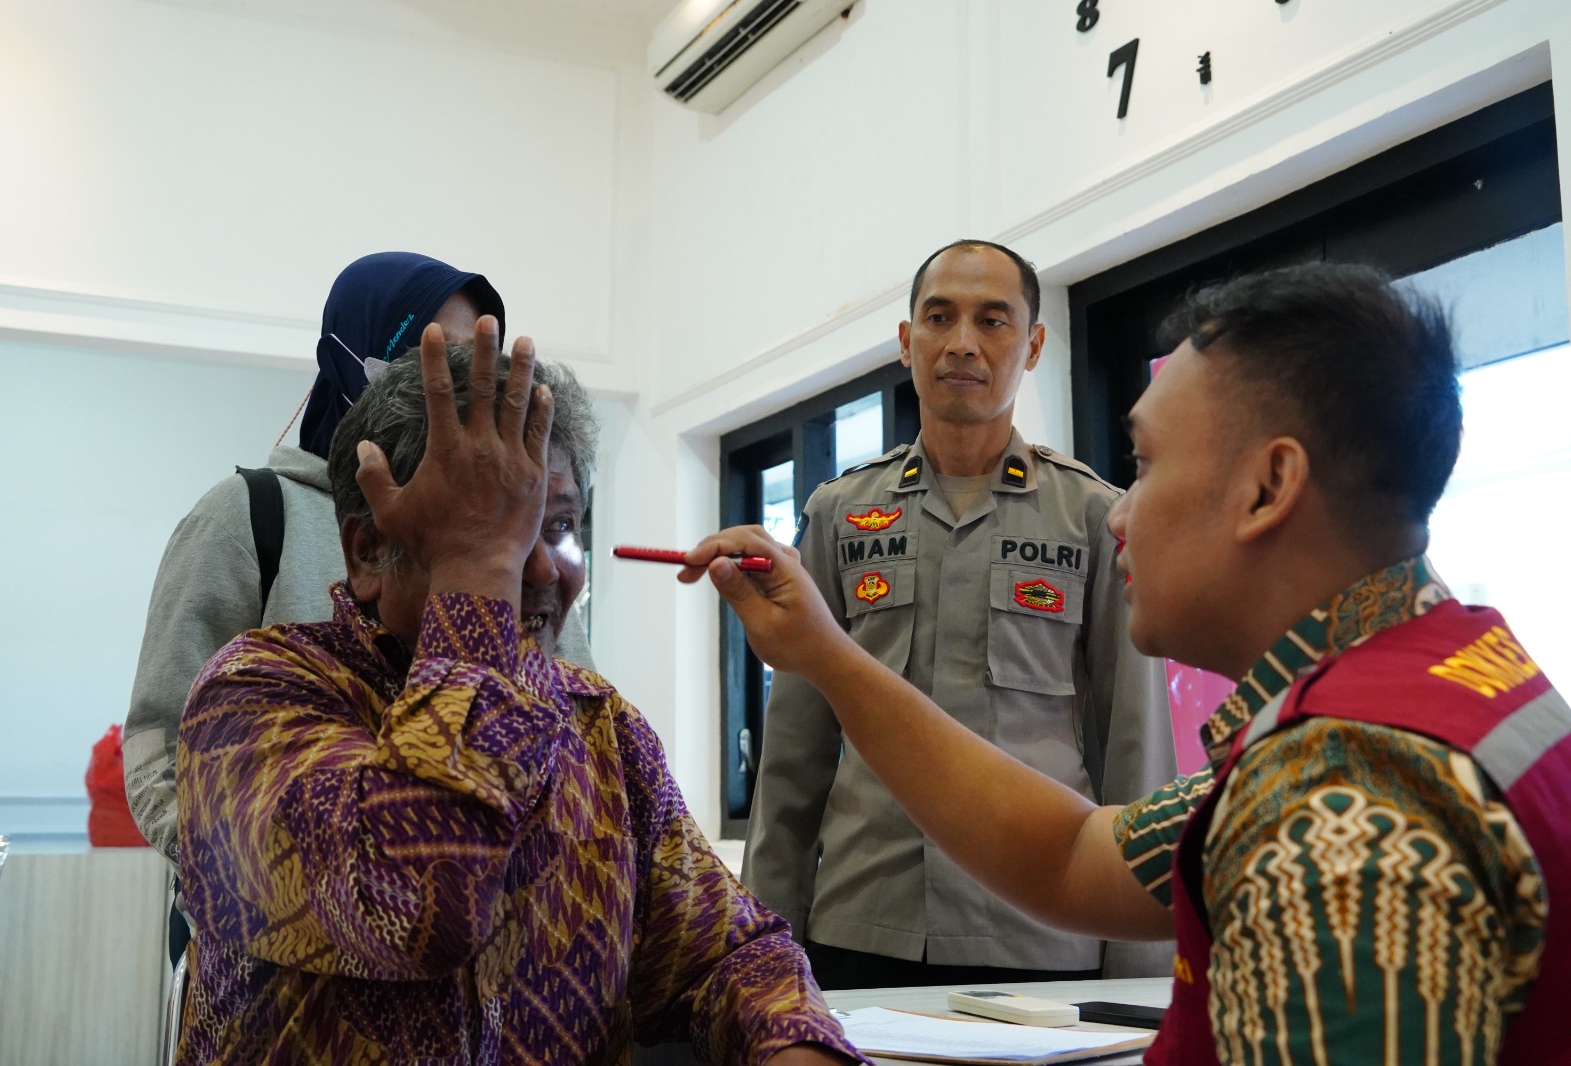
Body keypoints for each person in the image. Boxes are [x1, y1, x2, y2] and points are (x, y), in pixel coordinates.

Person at [690, 262, 1568, 1063]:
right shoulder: (1441, 682)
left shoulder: (1341, 811)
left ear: (1268, 487)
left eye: (1146, 465)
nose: (1121, 515)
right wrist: (826, 657)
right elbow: (1073, 851)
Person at [174, 319, 860, 1065]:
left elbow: (725, 954)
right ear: (368, 551)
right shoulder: (253, 697)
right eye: (489, 529)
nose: (532, 569)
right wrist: (477, 571)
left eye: (555, 524)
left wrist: (796, 1044)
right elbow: (417, 906)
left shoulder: (604, 730)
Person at [743, 238, 1175, 988]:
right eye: (939, 318)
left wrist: (1137, 977)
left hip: (1040, 936)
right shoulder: (842, 513)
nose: (962, 344)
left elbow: (1133, 751)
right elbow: (793, 757)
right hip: (862, 924)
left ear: (1033, 344)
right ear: (907, 342)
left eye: (993, 320)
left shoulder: (1092, 517)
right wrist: (758, 952)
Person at [124, 251, 596, 866]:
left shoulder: (518, 538)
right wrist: (249, 877)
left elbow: (582, 713)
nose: (454, 388)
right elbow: (162, 741)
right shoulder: (248, 517)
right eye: (429, 360)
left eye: (476, 364)